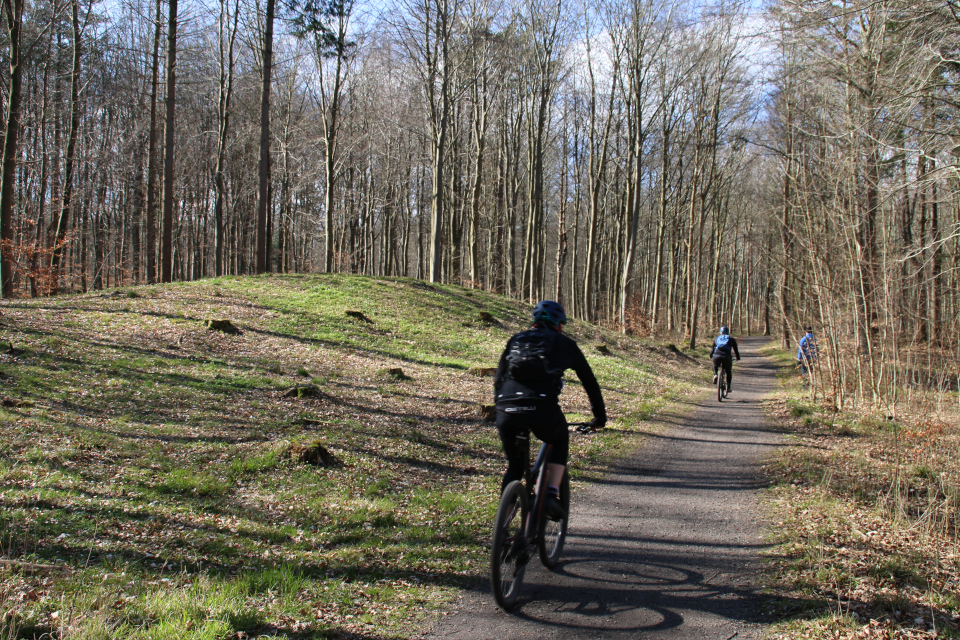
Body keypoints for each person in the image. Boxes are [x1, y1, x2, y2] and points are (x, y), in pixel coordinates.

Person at [493, 300, 606, 520]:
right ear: (559, 325)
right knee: (559, 437)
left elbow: (498, 377)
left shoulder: (515, 340)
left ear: (534, 321)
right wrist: (599, 417)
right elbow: (589, 382)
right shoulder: (565, 343)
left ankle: (504, 535)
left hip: (506, 409)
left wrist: (500, 408)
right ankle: (551, 495)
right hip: (542, 407)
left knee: (515, 468)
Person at [710, 326, 741, 392]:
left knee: (715, 365)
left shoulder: (717, 338)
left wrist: (711, 355)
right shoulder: (731, 339)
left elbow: (713, 348)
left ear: (720, 332)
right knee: (728, 371)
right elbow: (736, 350)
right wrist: (737, 357)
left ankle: (715, 374)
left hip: (717, 355)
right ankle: (728, 387)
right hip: (727, 356)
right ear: (728, 332)